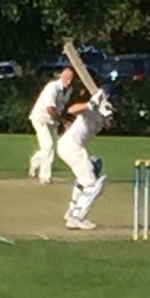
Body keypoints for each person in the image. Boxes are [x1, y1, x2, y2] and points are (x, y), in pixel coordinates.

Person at [55, 86, 115, 230]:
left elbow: (110, 123)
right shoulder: (91, 110)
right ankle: (76, 218)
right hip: (71, 147)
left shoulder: (103, 114)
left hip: (72, 147)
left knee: (94, 165)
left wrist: (106, 113)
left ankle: (71, 212)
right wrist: (90, 104)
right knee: (93, 184)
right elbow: (72, 110)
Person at [27, 65, 75, 184]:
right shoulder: (52, 87)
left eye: (72, 79)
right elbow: (50, 109)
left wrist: (67, 120)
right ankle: (45, 177)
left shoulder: (69, 90)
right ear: (62, 76)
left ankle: (35, 162)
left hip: (53, 121)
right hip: (41, 118)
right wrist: (64, 122)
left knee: (50, 147)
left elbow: (63, 107)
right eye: (67, 78)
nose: (69, 81)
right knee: (48, 146)